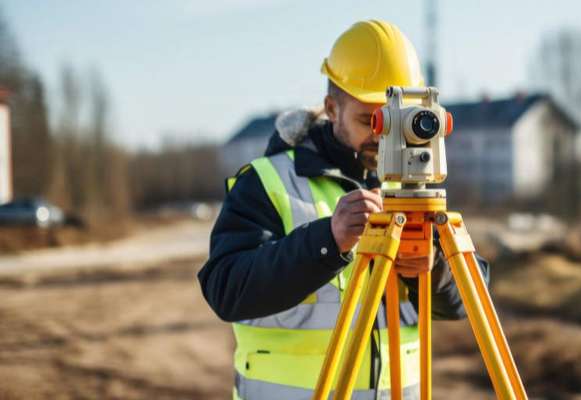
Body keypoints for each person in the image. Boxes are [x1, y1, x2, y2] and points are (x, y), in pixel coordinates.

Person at [198, 19, 490, 400]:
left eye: (394, 119)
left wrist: (432, 267)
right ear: (332, 108)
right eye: (370, 119)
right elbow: (226, 289)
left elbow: (469, 301)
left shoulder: (411, 190)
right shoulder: (269, 182)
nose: (382, 134)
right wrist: (327, 240)